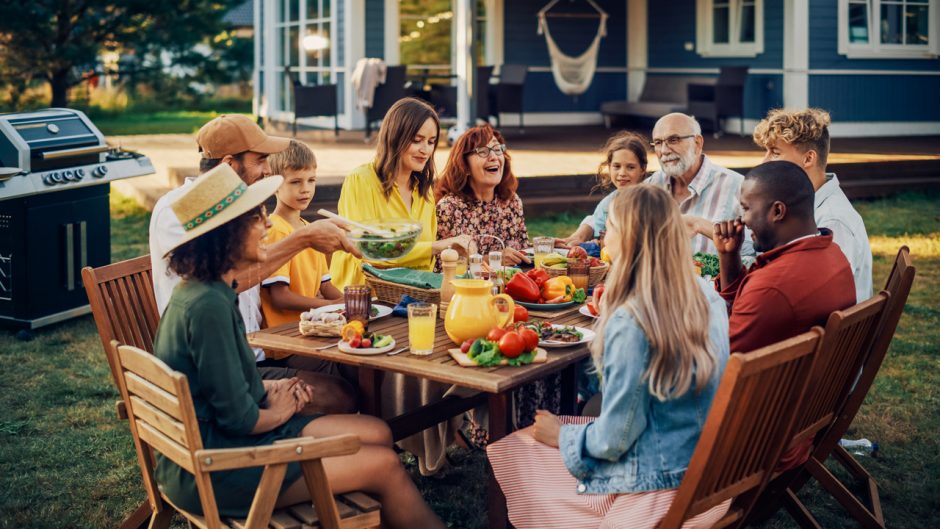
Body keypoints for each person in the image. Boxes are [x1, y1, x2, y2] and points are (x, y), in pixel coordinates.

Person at [152, 164, 445, 528]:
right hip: (216, 468)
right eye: (257, 218)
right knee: (384, 465)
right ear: (226, 235)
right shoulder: (207, 306)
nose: (269, 225)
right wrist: (282, 410)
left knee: (378, 432)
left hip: (213, 444)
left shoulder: (208, 290)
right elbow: (240, 419)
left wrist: (272, 388)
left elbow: (223, 385)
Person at [487, 185, 731, 529]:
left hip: (654, 491)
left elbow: (615, 438)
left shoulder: (631, 320)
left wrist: (562, 437)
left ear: (630, 238)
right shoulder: (706, 294)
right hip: (709, 477)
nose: (604, 234)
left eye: (611, 226)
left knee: (517, 446)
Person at [149, 114, 357, 414]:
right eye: (260, 159)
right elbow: (229, 282)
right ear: (230, 165)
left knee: (355, 368)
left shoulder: (237, 204)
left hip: (259, 349)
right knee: (342, 393)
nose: (268, 169)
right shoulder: (179, 210)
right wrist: (303, 239)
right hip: (220, 367)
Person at [712, 160, 856, 355]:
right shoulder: (834, 254)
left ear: (778, 211)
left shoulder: (771, 288)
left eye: (746, 209)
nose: (742, 220)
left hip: (758, 383)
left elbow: (719, 361)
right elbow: (742, 308)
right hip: (804, 378)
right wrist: (729, 256)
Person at [329, 97, 473, 290]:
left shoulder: (424, 191)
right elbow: (370, 252)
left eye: (431, 142)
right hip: (364, 297)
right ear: (395, 138)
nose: (425, 150)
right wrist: (438, 246)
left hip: (413, 297)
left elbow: (424, 263)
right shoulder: (361, 180)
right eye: (417, 140)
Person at [752, 108, 873, 302]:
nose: (764, 161)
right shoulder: (802, 201)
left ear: (808, 158)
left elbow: (823, 293)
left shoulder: (833, 221)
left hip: (823, 328)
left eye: (775, 153)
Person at [259, 140, 353, 383]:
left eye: (311, 180)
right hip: (286, 343)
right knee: (350, 366)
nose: (306, 189)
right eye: (295, 182)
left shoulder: (310, 229)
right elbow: (280, 297)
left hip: (314, 333)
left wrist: (350, 301)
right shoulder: (275, 231)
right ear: (275, 186)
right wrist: (328, 307)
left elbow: (325, 286)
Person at [646, 113, 747, 255]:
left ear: (697, 143)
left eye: (673, 140)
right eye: (658, 143)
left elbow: (752, 254)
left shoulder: (738, 187)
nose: (664, 151)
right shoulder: (650, 186)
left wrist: (701, 226)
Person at [435, 124, 531, 266]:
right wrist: (493, 260)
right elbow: (443, 268)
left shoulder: (512, 201)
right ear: (465, 166)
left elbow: (523, 250)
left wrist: (546, 247)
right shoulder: (449, 208)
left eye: (498, 150)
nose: (493, 157)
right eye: (483, 151)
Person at [561, 131, 649, 247]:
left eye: (630, 167)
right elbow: (598, 232)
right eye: (616, 166)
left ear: (642, 169)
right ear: (609, 167)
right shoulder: (607, 204)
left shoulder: (649, 201)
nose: (622, 173)